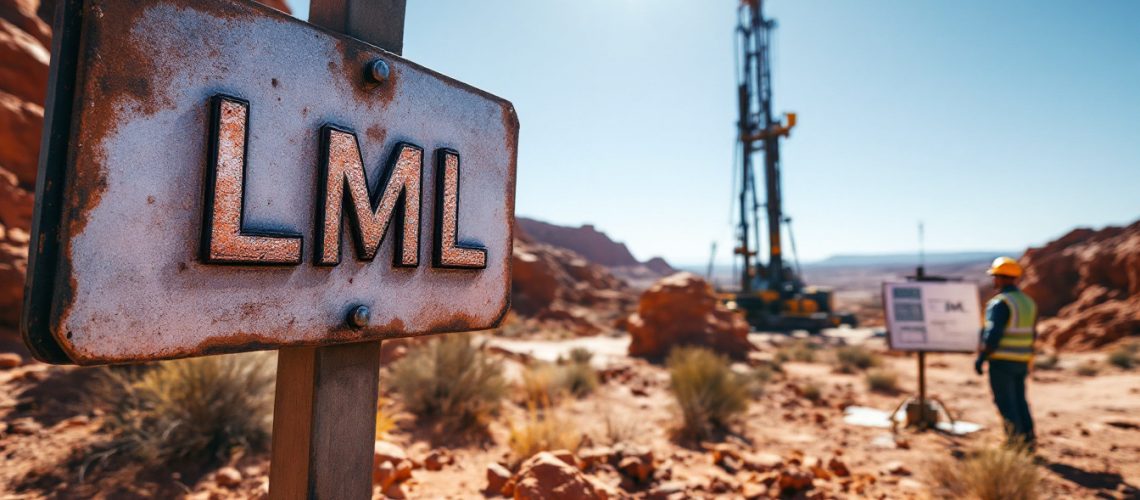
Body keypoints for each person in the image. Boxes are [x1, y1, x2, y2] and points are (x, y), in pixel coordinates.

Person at [975, 256, 1038, 450]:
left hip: (1002, 361)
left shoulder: (1000, 303)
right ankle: (1028, 441)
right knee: (1020, 401)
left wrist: (981, 358)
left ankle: (1014, 444)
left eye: (995, 276)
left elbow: (993, 334)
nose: (993, 280)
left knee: (1006, 403)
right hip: (1022, 360)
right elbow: (1032, 332)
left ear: (1001, 278)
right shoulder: (1027, 302)